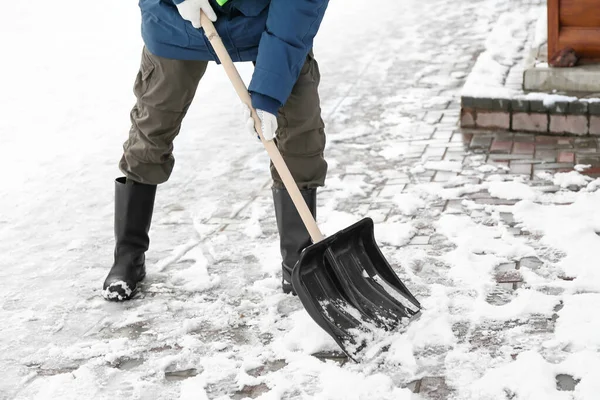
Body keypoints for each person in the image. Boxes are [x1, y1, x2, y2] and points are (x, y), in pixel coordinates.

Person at [102, 0, 330, 301]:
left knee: (300, 131)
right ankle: (128, 254)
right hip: (175, 22)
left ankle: (299, 262)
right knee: (153, 126)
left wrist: (267, 94)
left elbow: (297, 11)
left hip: (262, 22)